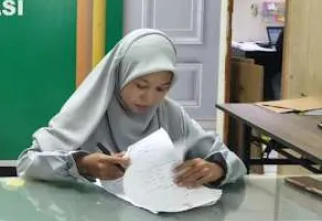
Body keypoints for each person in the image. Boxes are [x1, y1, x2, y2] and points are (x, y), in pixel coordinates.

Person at [16, 28, 246, 188]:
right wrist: (83, 165)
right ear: (120, 74)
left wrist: (216, 169)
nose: (149, 98)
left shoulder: (169, 114)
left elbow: (234, 162)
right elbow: (27, 163)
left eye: (162, 88)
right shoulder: (89, 111)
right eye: (140, 85)